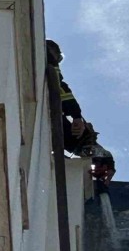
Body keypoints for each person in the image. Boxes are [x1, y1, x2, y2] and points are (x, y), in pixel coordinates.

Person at [46, 39, 116, 186]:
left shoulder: (49, 71)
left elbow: (78, 143)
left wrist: (103, 159)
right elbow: (61, 92)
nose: (57, 61)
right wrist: (77, 117)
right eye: (57, 58)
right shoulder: (48, 63)